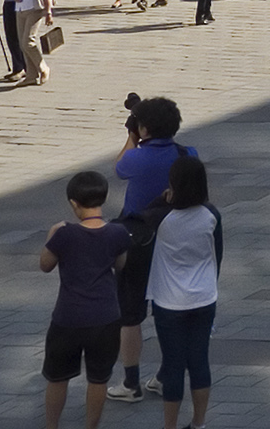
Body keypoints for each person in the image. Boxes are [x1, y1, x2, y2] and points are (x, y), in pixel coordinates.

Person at [110, 97, 196, 403]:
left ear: (143, 127)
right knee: (170, 310)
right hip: (177, 240)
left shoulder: (137, 158)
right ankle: (164, 375)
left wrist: (131, 138)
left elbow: (120, 168)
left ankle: (130, 383)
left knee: (131, 313)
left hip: (139, 239)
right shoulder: (187, 154)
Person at [41, 172, 131, 429]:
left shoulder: (64, 234)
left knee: (57, 378)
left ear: (73, 203)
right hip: (105, 317)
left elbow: (45, 265)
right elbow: (120, 264)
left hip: (68, 317)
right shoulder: (118, 232)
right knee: (99, 379)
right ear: (103, 198)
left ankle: (52, 426)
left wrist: (52, 236)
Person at [146, 155, 223, 429]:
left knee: (174, 365)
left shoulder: (161, 216)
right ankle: (199, 423)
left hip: (169, 301)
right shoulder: (211, 215)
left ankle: (170, 425)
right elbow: (219, 255)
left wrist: (161, 198)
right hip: (204, 297)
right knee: (199, 361)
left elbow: (138, 218)